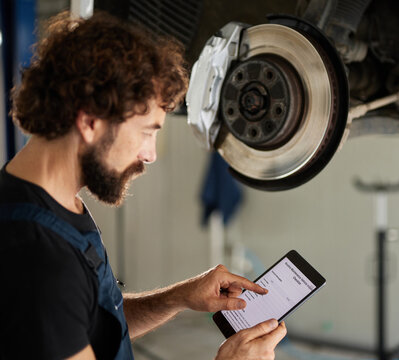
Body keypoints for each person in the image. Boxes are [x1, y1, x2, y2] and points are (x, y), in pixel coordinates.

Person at [0, 11, 286, 360]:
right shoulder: (39, 262)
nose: (149, 154)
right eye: (146, 131)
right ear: (90, 121)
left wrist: (179, 297)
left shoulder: (51, 201)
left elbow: (92, 327)